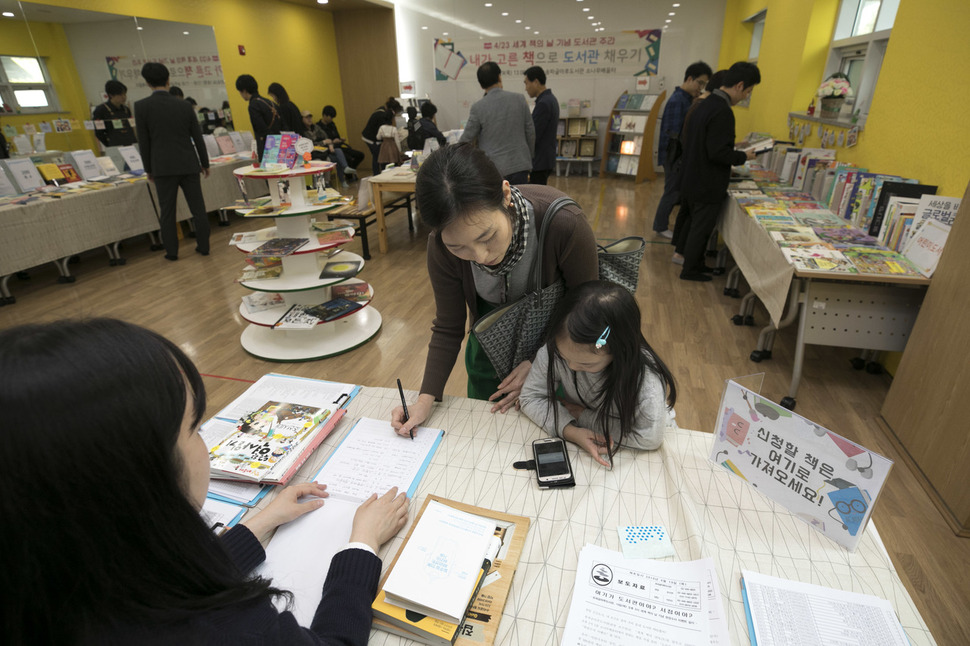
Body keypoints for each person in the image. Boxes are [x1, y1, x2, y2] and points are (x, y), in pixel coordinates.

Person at [0, 318, 409, 645]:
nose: (207, 445)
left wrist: (260, 522)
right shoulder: (220, 626)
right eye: (195, 426)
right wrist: (362, 544)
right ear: (138, 475)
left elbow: (160, 581)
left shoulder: (61, 582)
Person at [390, 143, 598, 438]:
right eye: (458, 247)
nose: (481, 256)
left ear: (505, 195)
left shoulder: (563, 224)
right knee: (490, 442)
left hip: (562, 346)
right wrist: (425, 400)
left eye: (487, 236)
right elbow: (449, 326)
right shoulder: (440, 247)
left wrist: (545, 362)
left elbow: (588, 309)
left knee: (552, 435)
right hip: (490, 351)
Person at [519, 280, 677, 466]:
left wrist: (581, 416)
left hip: (649, 445)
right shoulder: (556, 349)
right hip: (596, 438)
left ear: (620, 350)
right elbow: (530, 397)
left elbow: (649, 437)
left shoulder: (646, 380)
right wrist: (571, 431)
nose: (572, 366)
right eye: (564, 357)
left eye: (586, 364)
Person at [678, 62, 760, 281]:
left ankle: (696, 264)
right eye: (748, 92)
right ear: (740, 85)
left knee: (699, 225)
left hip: (693, 176)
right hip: (707, 181)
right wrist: (744, 156)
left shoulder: (703, 104)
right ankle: (690, 269)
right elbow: (718, 153)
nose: (746, 97)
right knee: (701, 228)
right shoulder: (722, 111)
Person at [134, 62, 210, 260]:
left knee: (167, 211)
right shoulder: (184, 105)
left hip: (162, 166)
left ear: (148, 83)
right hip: (188, 163)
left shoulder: (141, 107)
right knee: (198, 208)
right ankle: (204, 246)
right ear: (168, 80)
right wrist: (205, 163)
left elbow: (144, 142)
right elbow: (197, 137)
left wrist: (148, 168)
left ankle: (172, 251)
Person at [651, 61, 712, 239]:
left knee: (674, 190)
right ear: (690, 79)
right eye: (700, 83)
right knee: (672, 191)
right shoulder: (679, 100)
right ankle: (660, 225)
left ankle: (661, 224)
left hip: (676, 155)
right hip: (675, 155)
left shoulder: (685, 99)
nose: (700, 88)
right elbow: (675, 134)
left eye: (704, 85)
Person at [671, 68, 724, 265]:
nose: (699, 88)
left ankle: (679, 249)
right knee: (690, 214)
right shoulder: (703, 106)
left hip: (687, 168)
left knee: (686, 211)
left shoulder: (697, 104)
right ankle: (685, 256)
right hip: (693, 171)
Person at [460, 62, 535, 185]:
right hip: (520, 164)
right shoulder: (519, 99)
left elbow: (466, 139)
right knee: (520, 202)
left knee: (497, 203)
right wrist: (529, 156)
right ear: (499, 77)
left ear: (481, 85)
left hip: (493, 168)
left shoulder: (478, 107)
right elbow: (530, 132)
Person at [523, 66, 559, 185]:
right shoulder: (550, 99)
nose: (526, 88)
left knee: (536, 197)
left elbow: (534, 134)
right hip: (546, 159)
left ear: (536, 82)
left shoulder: (543, 103)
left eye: (526, 83)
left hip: (540, 161)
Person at [235, 74, 281, 162]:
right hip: (280, 144)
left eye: (240, 92)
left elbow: (260, 129)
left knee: (270, 174)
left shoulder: (253, 105)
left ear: (244, 91)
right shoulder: (270, 102)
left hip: (267, 149)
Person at [302, 109, 349, 187]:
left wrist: (330, 144)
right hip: (312, 155)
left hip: (323, 152)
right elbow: (309, 145)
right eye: (307, 117)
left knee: (332, 158)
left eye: (310, 117)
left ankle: (328, 182)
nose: (309, 119)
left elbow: (327, 137)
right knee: (319, 162)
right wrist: (322, 143)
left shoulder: (316, 127)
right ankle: (318, 185)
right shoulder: (302, 131)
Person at [361, 97, 403, 176]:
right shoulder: (382, 115)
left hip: (374, 137)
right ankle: (376, 175)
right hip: (370, 138)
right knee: (377, 156)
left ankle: (380, 174)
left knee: (379, 156)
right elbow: (381, 134)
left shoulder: (383, 110)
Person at [92, 80, 137, 148]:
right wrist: (109, 145)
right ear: (111, 95)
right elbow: (99, 133)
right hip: (115, 146)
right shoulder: (101, 110)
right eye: (120, 94)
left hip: (131, 144)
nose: (124, 97)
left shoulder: (126, 109)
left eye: (124, 94)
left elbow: (131, 128)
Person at [319, 105, 364, 171]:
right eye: (330, 117)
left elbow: (336, 136)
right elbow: (323, 141)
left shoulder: (332, 124)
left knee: (360, 155)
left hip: (339, 146)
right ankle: (349, 173)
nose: (332, 119)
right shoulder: (319, 127)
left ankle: (350, 172)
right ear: (325, 115)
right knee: (348, 158)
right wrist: (333, 141)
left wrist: (340, 139)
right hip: (332, 150)